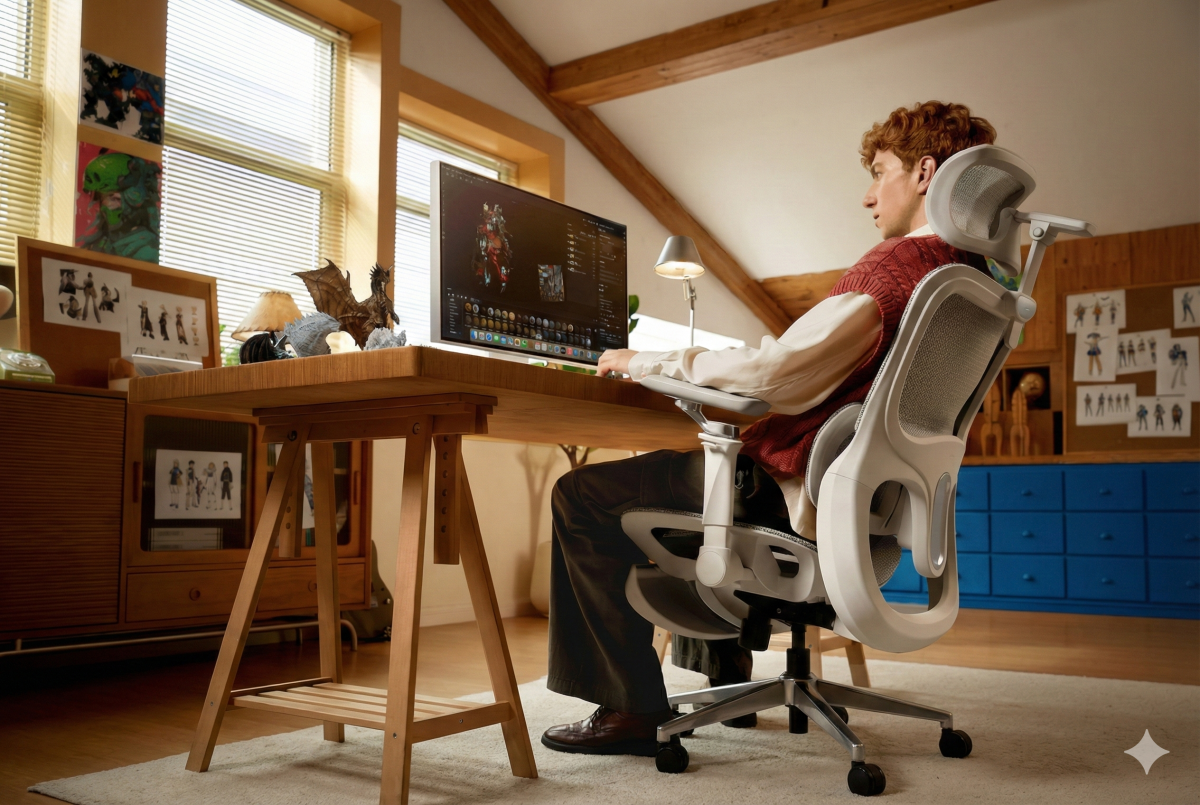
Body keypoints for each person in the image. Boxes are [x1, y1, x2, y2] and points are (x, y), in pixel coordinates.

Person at [541, 101, 1000, 758]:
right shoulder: (966, 283)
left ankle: (627, 708)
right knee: (700, 469)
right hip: (871, 509)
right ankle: (726, 684)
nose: (869, 195)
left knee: (582, 496)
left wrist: (641, 359)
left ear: (925, 172)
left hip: (787, 499)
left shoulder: (892, 273)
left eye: (880, 171)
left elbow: (770, 374)